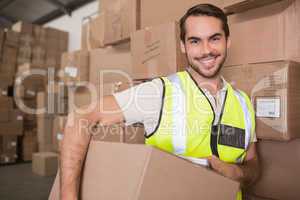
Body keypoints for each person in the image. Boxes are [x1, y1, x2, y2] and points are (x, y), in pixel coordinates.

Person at [60, 4, 260, 200]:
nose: (206, 50)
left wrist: (237, 173)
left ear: (228, 41)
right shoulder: (160, 92)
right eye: (195, 41)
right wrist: (68, 196)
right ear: (183, 46)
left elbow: (253, 164)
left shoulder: (243, 104)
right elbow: (80, 118)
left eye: (214, 39)